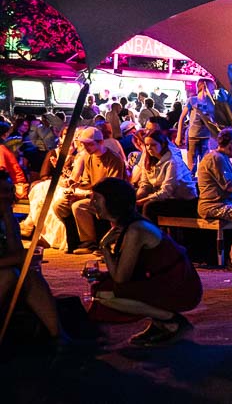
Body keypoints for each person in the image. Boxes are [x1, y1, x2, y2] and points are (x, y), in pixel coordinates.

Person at [84, 177, 203, 347]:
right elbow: (127, 270)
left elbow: (121, 278)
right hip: (165, 280)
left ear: (113, 201)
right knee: (103, 285)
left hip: (180, 287)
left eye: (96, 199)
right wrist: (102, 274)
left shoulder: (135, 230)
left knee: (105, 295)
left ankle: (172, 321)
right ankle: (159, 323)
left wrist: (104, 247)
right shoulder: (126, 225)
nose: (91, 203)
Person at [0, 191, 65, 349]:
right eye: (3, 193)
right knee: (10, 274)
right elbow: (17, 257)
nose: (8, 197)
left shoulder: (7, 220)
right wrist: (17, 259)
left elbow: (16, 252)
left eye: (10, 191)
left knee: (27, 275)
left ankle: (59, 337)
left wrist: (8, 221)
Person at [54, 125, 130, 253]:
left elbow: (112, 188)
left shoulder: (114, 159)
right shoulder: (89, 157)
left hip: (109, 199)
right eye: (84, 144)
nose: (86, 148)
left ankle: (89, 243)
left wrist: (84, 195)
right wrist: (74, 185)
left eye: (89, 144)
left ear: (100, 142)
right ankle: (73, 241)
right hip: (94, 195)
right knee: (59, 205)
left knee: (79, 206)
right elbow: (87, 181)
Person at [196, 128, 232, 244]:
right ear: (231, 144)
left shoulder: (223, 157)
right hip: (213, 205)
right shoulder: (216, 158)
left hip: (228, 201)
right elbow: (231, 187)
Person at [130, 129, 198, 214]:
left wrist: (143, 200)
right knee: (131, 200)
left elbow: (167, 191)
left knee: (149, 206)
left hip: (183, 200)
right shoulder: (148, 161)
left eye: (153, 145)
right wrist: (136, 198)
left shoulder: (173, 162)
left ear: (162, 144)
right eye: (147, 145)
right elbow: (145, 184)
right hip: (167, 198)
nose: (149, 148)